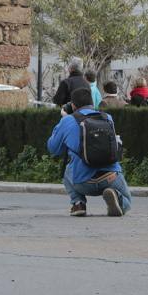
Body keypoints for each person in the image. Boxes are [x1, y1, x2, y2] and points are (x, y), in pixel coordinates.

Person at [47, 88, 132, 217]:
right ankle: (118, 198)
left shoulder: (67, 120)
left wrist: (63, 120)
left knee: (67, 169)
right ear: (92, 103)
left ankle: (78, 203)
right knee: (128, 201)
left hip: (83, 182)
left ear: (73, 105)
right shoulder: (107, 118)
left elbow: (53, 149)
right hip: (111, 177)